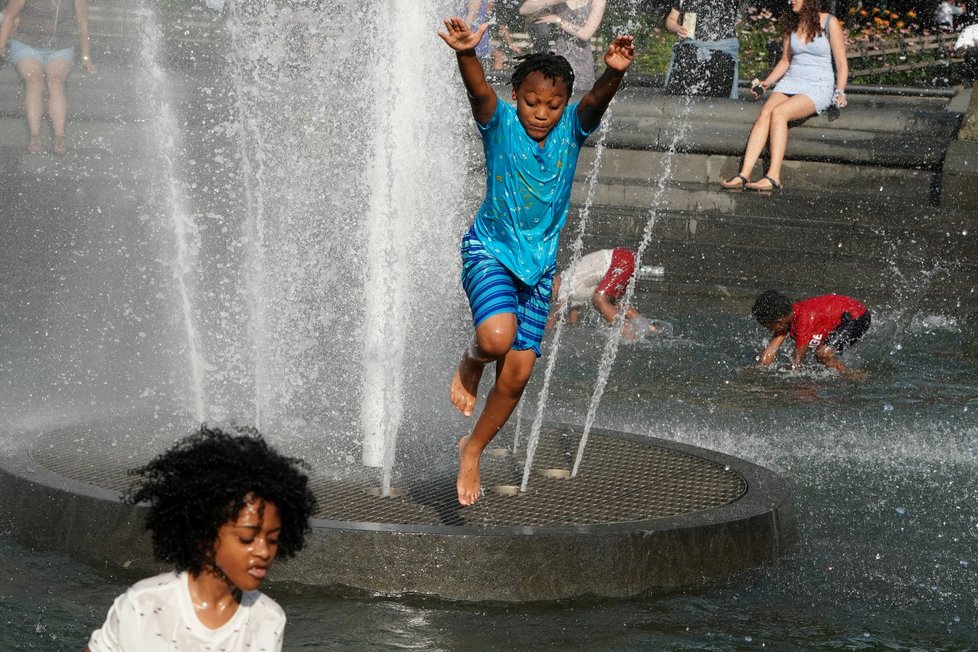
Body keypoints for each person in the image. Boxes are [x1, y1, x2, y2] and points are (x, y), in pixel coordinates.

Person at [437, 16, 634, 505]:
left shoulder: (573, 131)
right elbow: (480, 93)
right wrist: (465, 53)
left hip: (539, 268)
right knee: (495, 338)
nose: (540, 113)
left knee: (520, 371)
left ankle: (473, 450)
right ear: (516, 95)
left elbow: (594, 103)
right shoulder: (500, 123)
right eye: (530, 101)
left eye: (552, 104)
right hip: (490, 250)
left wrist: (613, 73)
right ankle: (471, 360)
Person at [85, 425, 317, 652]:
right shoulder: (145, 604)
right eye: (247, 538)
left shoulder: (269, 619)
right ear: (203, 535)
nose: (264, 551)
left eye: (273, 539)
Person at [720, 0, 847, 192]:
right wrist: (766, 83)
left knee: (780, 113)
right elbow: (786, 61)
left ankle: (773, 176)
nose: (791, 1)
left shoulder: (830, 22)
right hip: (792, 79)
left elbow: (841, 63)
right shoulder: (792, 23)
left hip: (818, 85)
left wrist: (839, 90)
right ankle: (744, 174)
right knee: (765, 113)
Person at [0, 0, 97, 155]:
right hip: (26, 43)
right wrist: (1, 45)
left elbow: (83, 23)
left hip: (61, 46)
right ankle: (35, 135)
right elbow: (10, 16)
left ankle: (59, 136)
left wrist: (86, 57)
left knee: (56, 81)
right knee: (34, 81)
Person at [752, 289, 871, 379]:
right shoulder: (789, 317)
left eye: (768, 326)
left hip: (858, 316)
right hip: (846, 314)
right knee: (817, 349)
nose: (769, 330)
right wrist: (757, 370)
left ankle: (852, 376)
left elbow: (797, 363)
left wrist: (791, 381)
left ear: (779, 322)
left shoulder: (803, 320)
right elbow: (769, 353)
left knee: (823, 354)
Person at [547, 248, 657, 337]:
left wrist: (544, 334)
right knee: (612, 305)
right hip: (626, 258)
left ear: (552, 285)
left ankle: (630, 336)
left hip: (620, 260)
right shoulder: (572, 288)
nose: (550, 299)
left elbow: (556, 313)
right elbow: (572, 319)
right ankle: (650, 328)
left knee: (599, 300)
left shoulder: (566, 282)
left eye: (548, 296)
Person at [518, 0, 606, 99]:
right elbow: (523, 9)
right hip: (555, 57)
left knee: (579, 103)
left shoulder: (598, 1)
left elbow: (586, 34)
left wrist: (558, 20)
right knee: (549, 97)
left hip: (581, 60)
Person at [663, 0, 741, 99]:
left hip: (721, 57)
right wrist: (677, 28)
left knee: (718, 103)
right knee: (681, 99)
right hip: (688, 55)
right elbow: (671, 19)